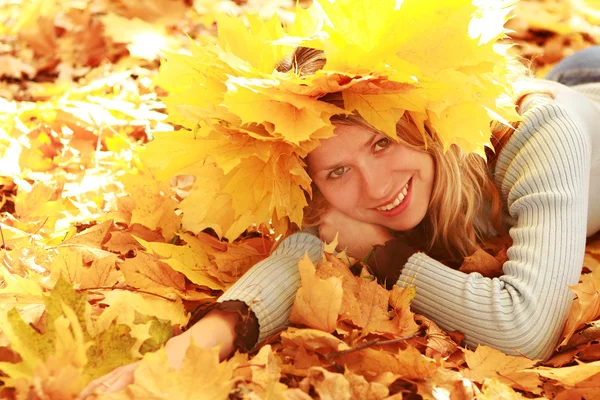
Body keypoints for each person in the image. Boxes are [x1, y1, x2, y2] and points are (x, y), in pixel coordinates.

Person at [81, 0, 600, 395]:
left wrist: (384, 252)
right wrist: (182, 353)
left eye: (382, 140)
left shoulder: (533, 135)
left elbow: (526, 330)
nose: (375, 189)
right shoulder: (343, 193)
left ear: (425, 120)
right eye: (338, 170)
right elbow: (307, 255)